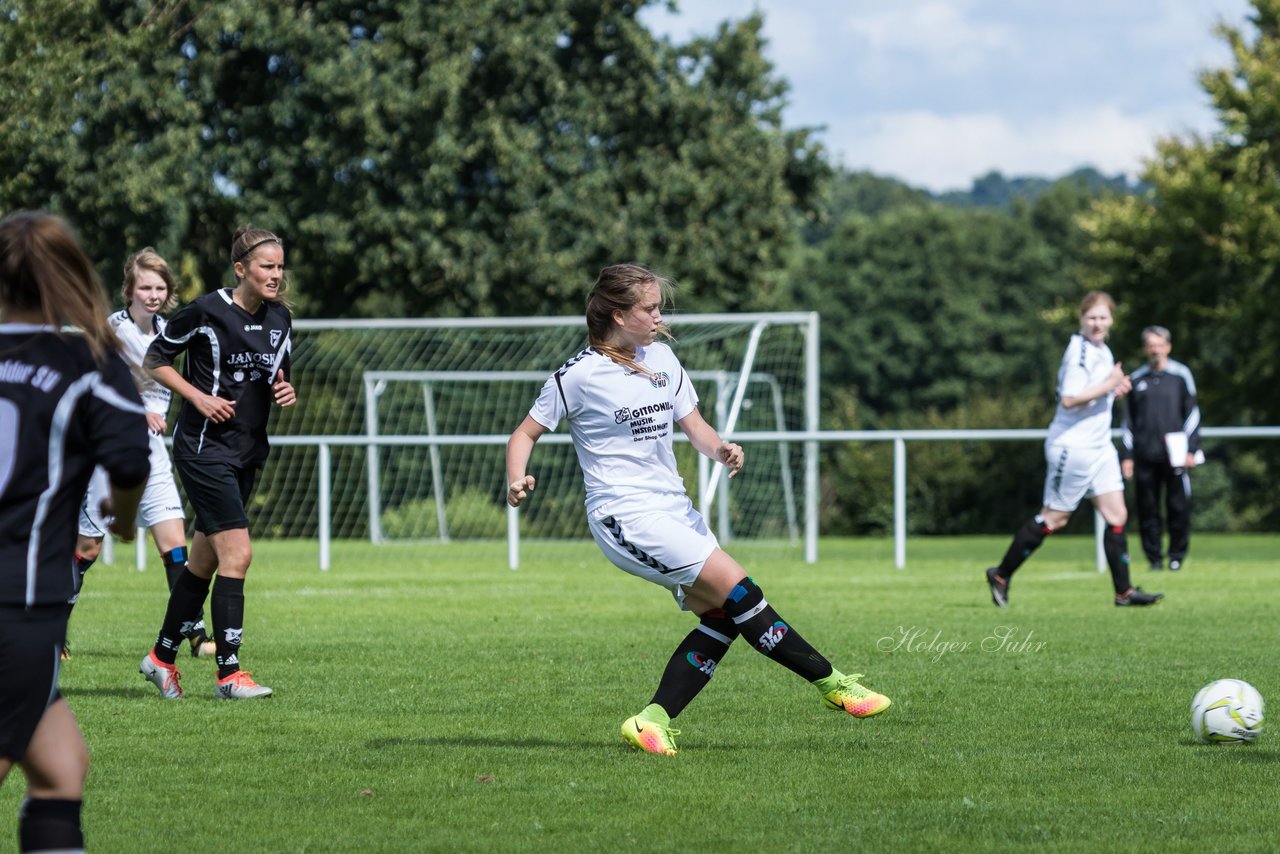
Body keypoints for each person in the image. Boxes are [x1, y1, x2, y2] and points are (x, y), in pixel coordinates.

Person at [506, 263, 890, 757]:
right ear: (620, 315)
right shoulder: (579, 375)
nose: (658, 315)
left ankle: (652, 721)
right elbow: (525, 432)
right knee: (742, 591)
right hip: (626, 517)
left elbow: (695, 426)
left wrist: (721, 449)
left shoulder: (662, 357)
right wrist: (517, 478)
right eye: (649, 308)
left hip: (675, 511)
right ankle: (835, 686)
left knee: (726, 616)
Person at [0, 211, 150, 852]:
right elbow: (130, 463)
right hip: (18, 602)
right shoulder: (86, 359)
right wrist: (118, 515)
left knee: (62, 767)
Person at [138, 225, 295, 701]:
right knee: (238, 555)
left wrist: (284, 389)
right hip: (204, 449)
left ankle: (160, 659)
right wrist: (197, 397)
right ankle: (229, 674)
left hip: (247, 452)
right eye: (266, 266)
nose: (275, 275)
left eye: (280, 266)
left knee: (203, 561)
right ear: (241, 268)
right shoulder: (206, 311)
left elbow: (277, 374)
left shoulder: (281, 319)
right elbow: (155, 359)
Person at [68, 248, 215, 658]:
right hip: (110, 449)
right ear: (129, 290)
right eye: (145, 287)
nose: (153, 294)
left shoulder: (169, 331)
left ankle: (196, 634)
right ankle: (52, 626)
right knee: (88, 547)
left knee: (175, 543)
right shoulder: (110, 330)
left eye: (160, 287)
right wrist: (137, 412)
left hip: (151, 449)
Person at [985, 291, 1163, 608]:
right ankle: (1001, 573)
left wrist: (1114, 390)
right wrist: (1108, 385)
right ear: (1081, 319)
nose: (1097, 323)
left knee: (1117, 515)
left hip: (1099, 446)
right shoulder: (1078, 352)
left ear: (1111, 320)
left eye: (1103, 317)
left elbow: (1096, 393)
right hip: (1073, 446)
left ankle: (1124, 592)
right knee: (1054, 518)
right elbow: (1069, 398)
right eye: (1091, 317)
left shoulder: (1103, 351)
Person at [1120, 326, 1201, 571]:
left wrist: (1191, 449)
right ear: (1146, 348)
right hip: (1145, 454)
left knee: (1178, 507)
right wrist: (1127, 456)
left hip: (1175, 455)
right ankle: (1154, 559)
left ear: (1168, 346)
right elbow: (1128, 422)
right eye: (1151, 345)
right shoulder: (1136, 379)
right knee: (1147, 509)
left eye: (1160, 344)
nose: (1155, 349)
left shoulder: (1180, 375)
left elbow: (1192, 415)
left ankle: (1176, 556)